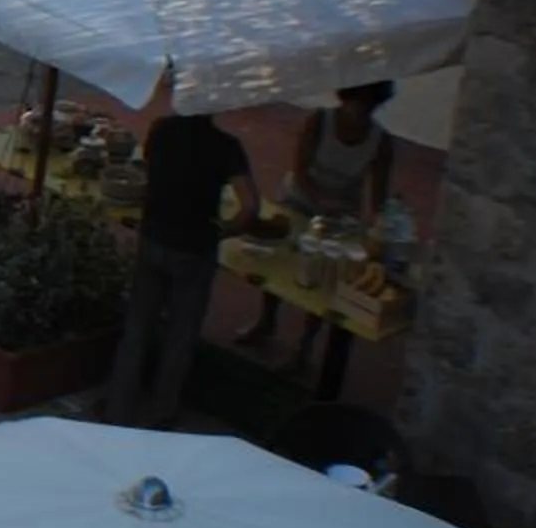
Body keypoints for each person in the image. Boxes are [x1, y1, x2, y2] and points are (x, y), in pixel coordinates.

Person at [105, 86, 262, 429]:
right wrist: (225, 230)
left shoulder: (161, 130)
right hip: (195, 245)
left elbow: (148, 169)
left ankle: (119, 404)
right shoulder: (226, 147)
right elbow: (250, 206)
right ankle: (163, 410)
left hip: (155, 234)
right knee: (181, 332)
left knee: (138, 325)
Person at [237, 82, 397, 363]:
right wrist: (321, 201)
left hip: (342, 217)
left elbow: (378, 196)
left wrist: (379, 229)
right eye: (358, 103)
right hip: (302, 199)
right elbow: (300, 171)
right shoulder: (319, 121)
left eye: (369, 106)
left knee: (325, 277)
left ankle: (306, 344)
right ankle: (267, 320)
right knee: (279, 262)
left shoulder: (381, 142)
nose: (361, 112)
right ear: (345, 98)